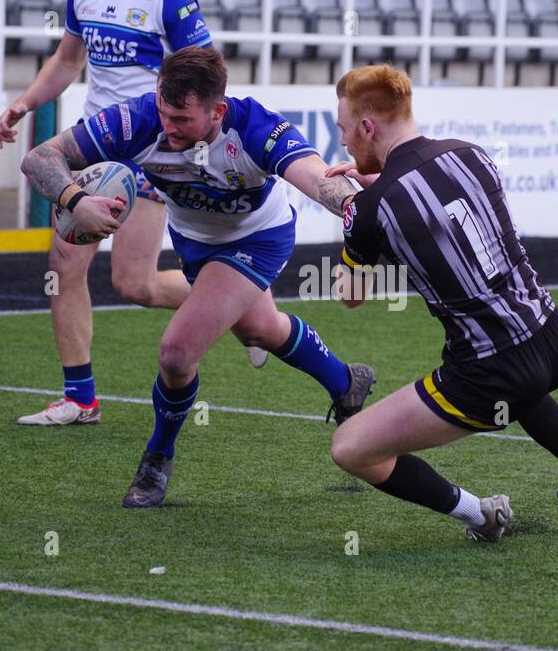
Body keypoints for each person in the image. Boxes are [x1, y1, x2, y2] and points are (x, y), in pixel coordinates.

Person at [20, 47, 376, 508]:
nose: (169, 128)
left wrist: (354, 207)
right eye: (165, 113)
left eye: (183, 120)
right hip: (192, 240)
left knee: (176, 350)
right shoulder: (139, 120)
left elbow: (317, 178)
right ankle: (346, 380)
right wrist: (75, 200)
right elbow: (38, 159)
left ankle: (156, 459)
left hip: (257, 238)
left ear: (218, 111)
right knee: (260, 328)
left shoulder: (255, 127)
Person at [0, 0, 262, 428]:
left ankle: (239, 306)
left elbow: (206, 78)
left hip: (152, 154)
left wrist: (203, 144)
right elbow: (68, 62)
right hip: (92, 150)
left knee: (133, 285)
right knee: (64, 264)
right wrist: (25, 101)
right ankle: (80, 398)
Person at [325, 65, 558, 544]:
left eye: (342, 129)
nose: (341, 143)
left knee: (351, 448)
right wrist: (376, 191)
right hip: (550, 336)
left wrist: (350, 209)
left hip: (488, 372)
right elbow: (431, 200)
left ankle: (480, 515)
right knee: (522, 388)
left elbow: (351, 296)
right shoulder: (471, 154)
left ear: (366, 127)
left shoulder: (370, 207)